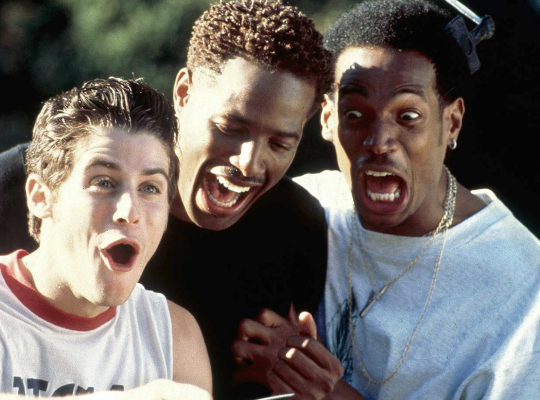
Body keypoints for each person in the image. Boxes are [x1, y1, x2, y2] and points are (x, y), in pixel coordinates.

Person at [0, 1, 333, 398]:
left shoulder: (295, 230)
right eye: (230, 126)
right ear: (184, 93)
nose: (249, 162)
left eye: (280, 143)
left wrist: (298, 384)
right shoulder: (27, 181)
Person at [234, 0, 540, 399]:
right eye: (355, 114)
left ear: (452, 122)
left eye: (408, 116)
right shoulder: (304, 209)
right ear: (327, 118)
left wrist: (330, 393)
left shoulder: (524, 285)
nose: (378, 142)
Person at [0, 78, 212, 399]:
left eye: (150, 188)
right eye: (103, 182)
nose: (129, 211)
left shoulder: (173, 336)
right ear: (41, 196)